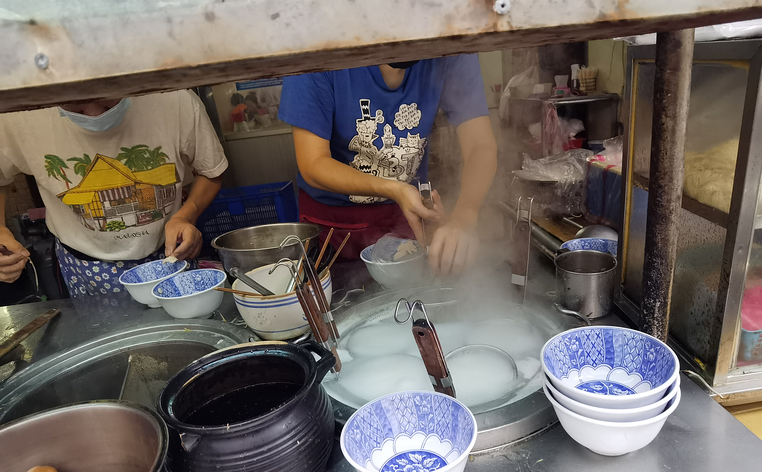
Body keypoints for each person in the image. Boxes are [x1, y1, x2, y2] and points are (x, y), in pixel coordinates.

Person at [278, 55, 497, 275]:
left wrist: (464, 217)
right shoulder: (319, 48)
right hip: (333, 227)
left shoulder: (449, 44)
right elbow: (313, 163)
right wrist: (395, 189)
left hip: (405, 218)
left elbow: (480, 145)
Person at [0, 90, 227, 297]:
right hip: (85, 268)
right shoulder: (15, 114)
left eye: (106, 98)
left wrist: (185, 216)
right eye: (75, 105)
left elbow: (211, 171)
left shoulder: (173, 97)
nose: (94, 114)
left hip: (170, 255)